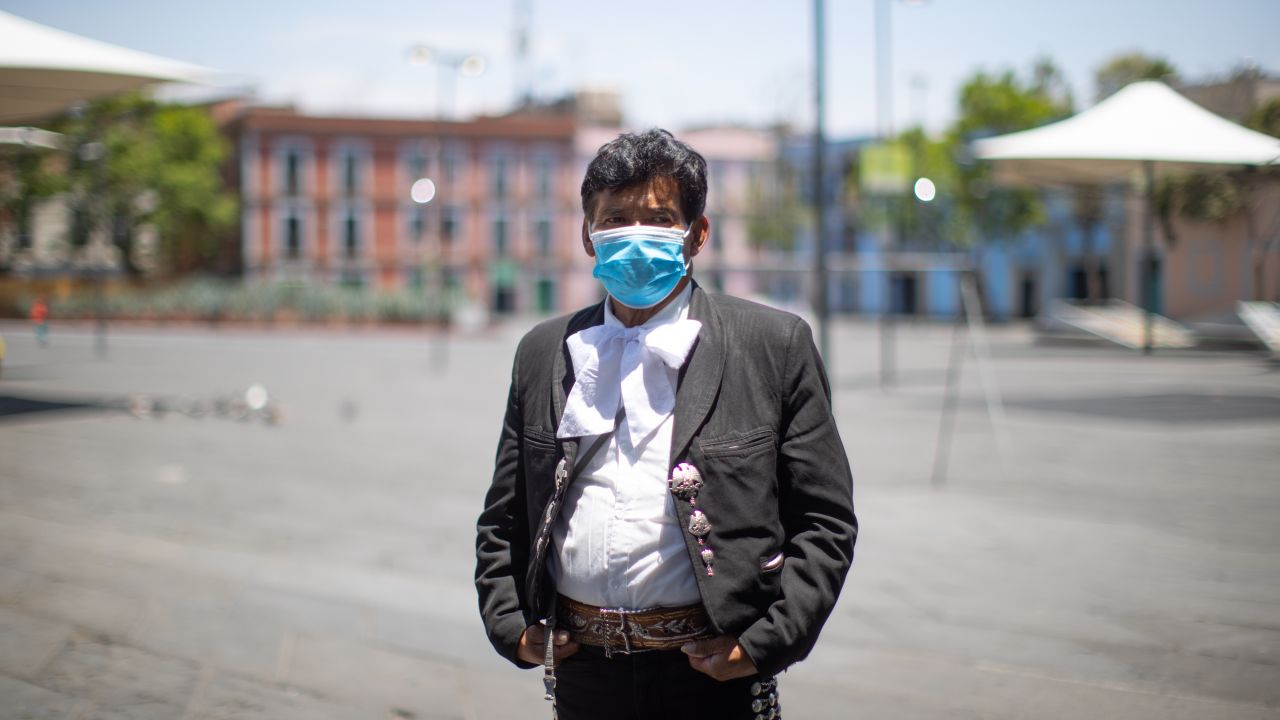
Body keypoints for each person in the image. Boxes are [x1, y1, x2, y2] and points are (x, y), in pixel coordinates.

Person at [475, 129, 857, 720]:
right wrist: (510, 626)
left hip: (711, 675)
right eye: (615, 218)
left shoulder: (772, 344)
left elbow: (825, 519)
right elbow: (505, 514)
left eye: (657, 220)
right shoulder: (544, 351)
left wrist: (764, 644)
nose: (634, 236)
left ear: (697, 234)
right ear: (587, 234)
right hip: (583, 675)